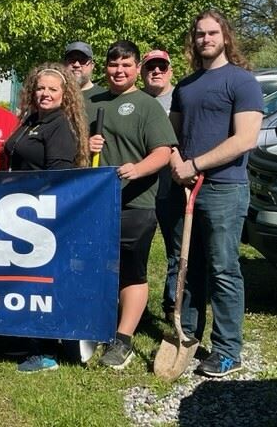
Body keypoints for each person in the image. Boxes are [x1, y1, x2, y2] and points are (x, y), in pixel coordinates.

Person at [169, 9, 263, 378]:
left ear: (225, 36)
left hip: (224, 188)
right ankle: (187, 335)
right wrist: (178, 164)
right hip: (186, 188)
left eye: (211, 33)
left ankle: (227, 349)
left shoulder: (242, 82)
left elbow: (246, 138)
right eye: (199, 34)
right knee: (187, 267)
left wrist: (195, 165)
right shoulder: (186, 85)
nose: (205, 39)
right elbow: (172, 133)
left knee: (223, 268)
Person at [88, 41, 177, 370]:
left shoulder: (146, 105)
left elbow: (163, 152)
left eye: (126, 65)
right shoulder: (93, 101)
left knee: (130, 270)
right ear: (105, 68)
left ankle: (122, 339)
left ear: (137, 68)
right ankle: (95, 326)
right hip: (95, 203)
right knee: (94, 267)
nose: (119, 70)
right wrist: (88, 143)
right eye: (114, 65)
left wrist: (137, 170)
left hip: (135, 202)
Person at [3, 63, 89, 372]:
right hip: (18, 211)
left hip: (41, 215)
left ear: (64, 95)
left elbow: (59, 178)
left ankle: (42, 351)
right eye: (41, 88)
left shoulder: (59, 126)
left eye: (53, 89)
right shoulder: (30, 120)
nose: (45, 94)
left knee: (39, 283)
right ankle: (24, 341)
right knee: (22, 281)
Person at [140, 50, 177, 321]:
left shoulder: (181, 99)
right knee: (136, 248)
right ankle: (131, 304)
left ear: (170, 71)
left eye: (161, 67)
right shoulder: (136, 99)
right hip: (141, 185)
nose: (156, 71)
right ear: (142, 72)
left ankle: (173, 305)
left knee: (177, 248)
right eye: (151, 67)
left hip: (172, 183)